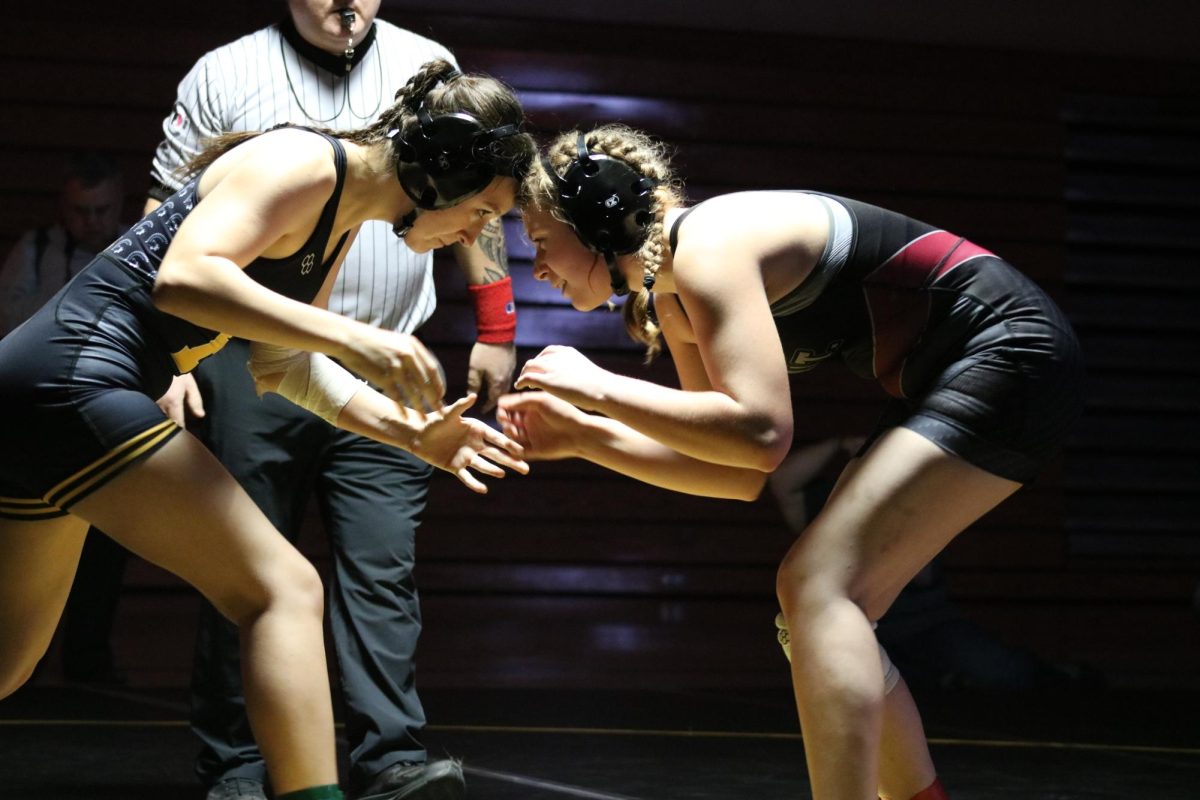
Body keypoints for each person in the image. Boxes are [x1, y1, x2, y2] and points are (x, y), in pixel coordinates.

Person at [497, 124, 1084, 800]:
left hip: (1008, 349)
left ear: (600, 220)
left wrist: (600, 389)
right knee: (813, 611)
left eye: (541, 241)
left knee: (816, 589)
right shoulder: (673, 293)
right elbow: (735, 471)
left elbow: (762, 433)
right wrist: (586, 437)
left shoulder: (708, 243)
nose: (535, 264)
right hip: (979, 365)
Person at [0, 60, 533, 800]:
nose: (479, 231)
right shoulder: (301, 160)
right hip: (76, 375)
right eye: (485, 207)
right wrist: (354, 336)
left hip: (43, 389)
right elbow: (184, 277)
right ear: (442, 169)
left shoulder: (340, 217)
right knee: (283, 589)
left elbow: (286, 367)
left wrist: (412, 435)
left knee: (8, 665)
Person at [146, 5, 519, 799]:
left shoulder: (415, 95)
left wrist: (495, 323)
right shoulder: (249, 95)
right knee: (250, 568)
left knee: (375, 568)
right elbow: (170, 254)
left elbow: (476, 208)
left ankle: (390, 762)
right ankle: (240, 767)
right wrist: (171, 357)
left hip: (373, 356)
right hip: (234, 358)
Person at [0, 152, 132, 685]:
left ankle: (88, 659)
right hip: (37, 416)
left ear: (118, 205)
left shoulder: (138, 248)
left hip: (111, 419)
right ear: (63, 207)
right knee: (25, 555)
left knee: (104, 551)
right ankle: (20, 669)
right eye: (81, 211)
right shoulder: (33, 251)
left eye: (102, 211)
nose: (92, 222)